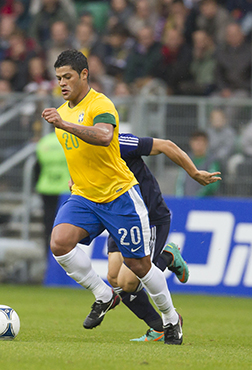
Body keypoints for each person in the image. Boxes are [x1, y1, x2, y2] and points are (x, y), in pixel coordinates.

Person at [41, 49, 183, 345]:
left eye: (67, 77)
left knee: (139, 268)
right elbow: (79, 154)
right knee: (59, 243)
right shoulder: (62, 111)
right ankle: (103, 295)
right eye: (58, 78)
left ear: (84, 75)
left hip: (119, 196)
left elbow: (105, 136)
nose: (62, 83)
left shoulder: (101, 104)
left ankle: (171, 320)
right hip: (84, 197)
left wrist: (64, 124)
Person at [106, 133, 221, 342]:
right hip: (119, 218)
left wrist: (193, 173)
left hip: (148, 217)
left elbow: (166, 144)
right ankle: (158, 328)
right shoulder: (83, 149)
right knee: (115, 278)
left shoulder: (119, 143)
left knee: (128, 282)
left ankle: (167, 256)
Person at [176, 130, 221, 197]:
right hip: (186, 202)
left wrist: (198, 198)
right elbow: (180, 183)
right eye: (196, 140)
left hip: (206, 203)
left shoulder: (212, 161)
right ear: (191, 143)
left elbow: (213, 184)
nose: (199, 144)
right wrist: (180, 200)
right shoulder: (185, 160)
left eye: (202, 141)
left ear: (207, 143)